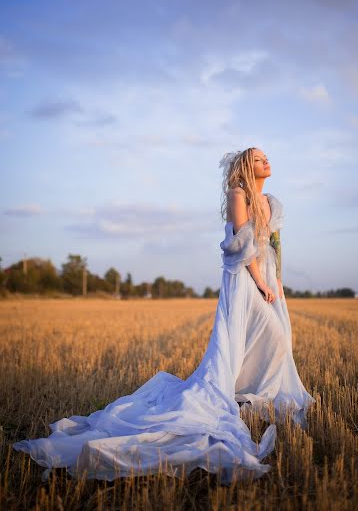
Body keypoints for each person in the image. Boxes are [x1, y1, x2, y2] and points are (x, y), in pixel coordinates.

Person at [13, 147, 316, 485]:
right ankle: (236, 391)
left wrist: (279, 283)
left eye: (266, 158)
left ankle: (252, 392)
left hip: (268, 278)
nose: (266, 161)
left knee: (277, 336)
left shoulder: (270, 202)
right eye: (259, 159)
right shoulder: (238, 194)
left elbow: (274, 246)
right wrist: (260, 283)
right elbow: (244, 247)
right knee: (268, 333)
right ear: (246, 166)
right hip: (244, 280)